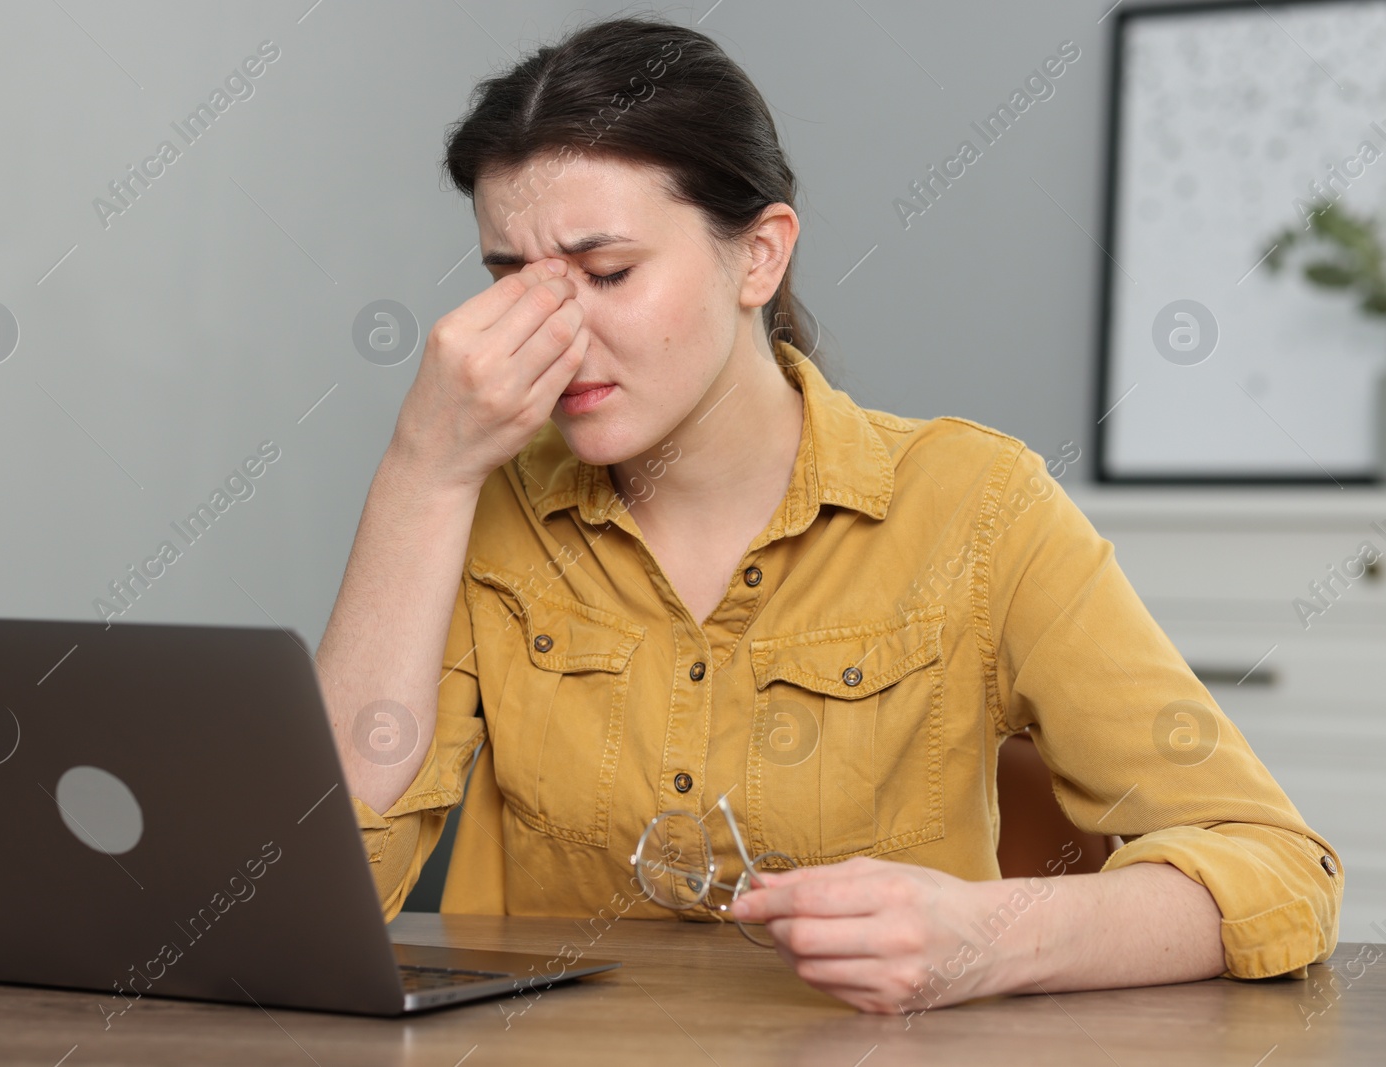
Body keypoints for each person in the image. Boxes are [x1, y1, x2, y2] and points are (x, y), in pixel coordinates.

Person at [315, 14, 1341, 1015]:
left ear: (758, 256)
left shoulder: (977, 506)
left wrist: (989, 934)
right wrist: (422, 471)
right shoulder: (479, 506)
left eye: (607, 273)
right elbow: (318, 902)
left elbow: (1276, 870)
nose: (550, 333)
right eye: (509, 283)